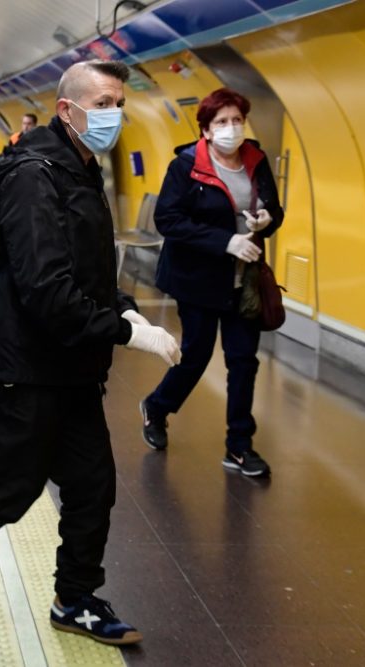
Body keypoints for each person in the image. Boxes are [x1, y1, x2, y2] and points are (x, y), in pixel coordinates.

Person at [0, 60, 182, 646]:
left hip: (73, 365)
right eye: (104, 103)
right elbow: (45, 290)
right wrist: (127, 331)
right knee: (13, 489)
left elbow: (87, 267)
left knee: (93, 485)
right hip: (24, 366)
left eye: (119, 103)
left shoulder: (82, 168)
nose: (115, 115)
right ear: (67, 110)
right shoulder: (34, 176)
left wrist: (123, 305)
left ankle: (74, 599)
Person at [139, 88, 283, 477]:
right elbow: (168, 219)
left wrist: (267, 220)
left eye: (237, 120)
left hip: (244, 280)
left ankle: (239, 446)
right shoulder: (186, 167)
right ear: (205, 129)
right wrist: (226, 241)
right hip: (197, 279)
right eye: (222, 122)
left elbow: (274, 207)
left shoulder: (255, 159)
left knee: (243, 362)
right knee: (197, 354)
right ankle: (157, 406)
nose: (231, 129)